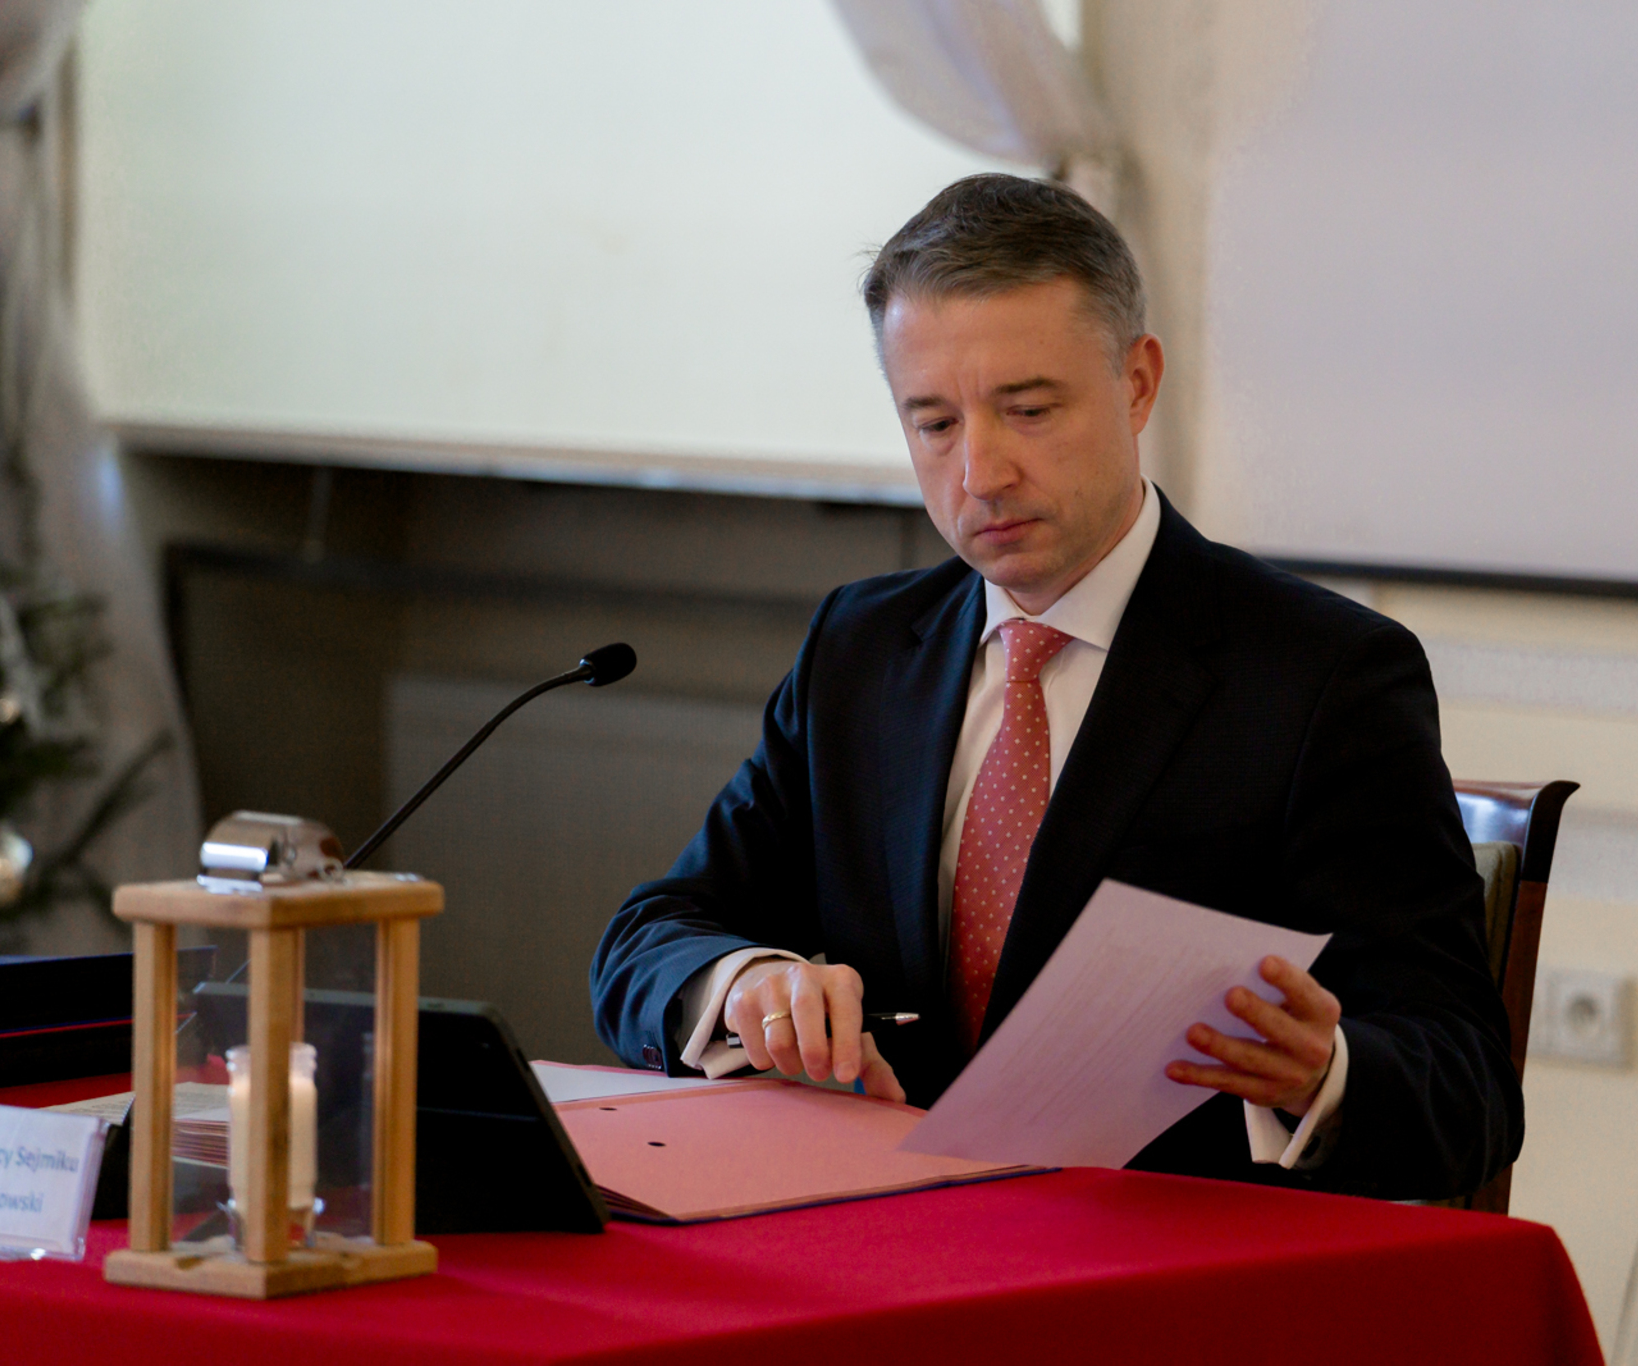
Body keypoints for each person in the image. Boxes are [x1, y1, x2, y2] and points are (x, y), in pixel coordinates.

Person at [589, 174, 1519, 1198]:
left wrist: (1320, 1073)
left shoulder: (1320, 677)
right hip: (874, 1232)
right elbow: (650, 938)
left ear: (1136, 383)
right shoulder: (861, 649)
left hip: (1158, 1257)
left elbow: (1467, 1085)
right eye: (933, 424)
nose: (979, 473)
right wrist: (744, 983)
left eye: (1027, 410)